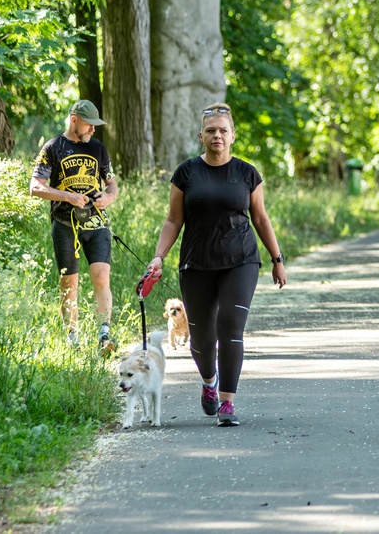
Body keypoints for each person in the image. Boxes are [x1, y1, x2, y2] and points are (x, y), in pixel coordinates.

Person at [145, 102, 287, 427]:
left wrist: (277, 259)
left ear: (233, 135)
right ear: (201, 136)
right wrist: (158, 256)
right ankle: (209, 382)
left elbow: (261, 219)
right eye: (211, 130)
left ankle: (227, 402)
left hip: (241, 260)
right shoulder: (186, 173)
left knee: (230, 326)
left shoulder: (247, 173)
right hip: (197, 261)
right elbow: (173, 220)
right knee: (202, 337)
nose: (217, 135)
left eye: (223, 130)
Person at [30, 100, 118, 353]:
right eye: (90, 125)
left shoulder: (98, 149)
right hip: (64, 224)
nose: (93, 130)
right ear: (74, 120)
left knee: (101, 275)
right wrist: (67, 196)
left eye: (95, 126)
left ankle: (104, 334)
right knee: (69, 283)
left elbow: (111, 184)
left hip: (96, 221)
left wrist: (109, 197)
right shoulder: (52, 147)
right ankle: (72, 338)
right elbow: (35, 187)